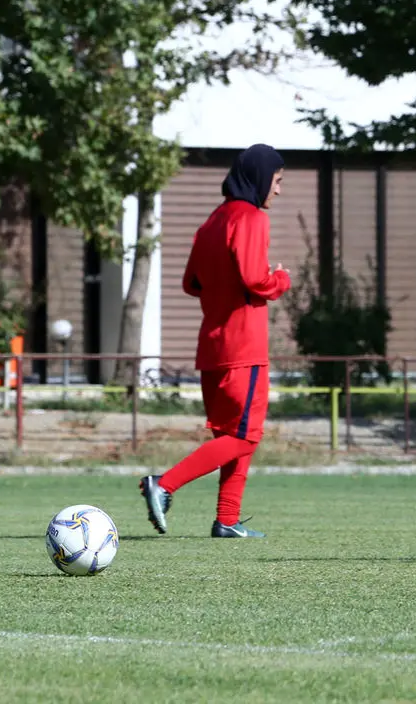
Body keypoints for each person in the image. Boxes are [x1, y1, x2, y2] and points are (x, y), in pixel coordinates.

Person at [139, 143, 291, 538]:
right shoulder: (251, 218)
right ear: (260, 180)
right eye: (276, 182)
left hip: (212, 349)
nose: (278, 190)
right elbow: (255, 279)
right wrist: (281, 280)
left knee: (233, 438)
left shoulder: (212, 221)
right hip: (244, 347)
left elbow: (191, 283)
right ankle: (164, 484)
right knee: (245, 436)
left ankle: (227, 520)